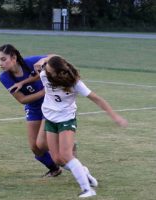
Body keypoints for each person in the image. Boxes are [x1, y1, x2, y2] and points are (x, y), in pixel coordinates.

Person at [35, 55, 128, 198]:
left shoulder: (74, 83)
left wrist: (115, 116)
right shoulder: (43, 74)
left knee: (66, 155)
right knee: (57, 159)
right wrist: (43, 62)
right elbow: (48, 61)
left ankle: (88, 190)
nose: (45, 72)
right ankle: (84, 172)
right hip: (49, 119)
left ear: (59, 73)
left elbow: (97, 99)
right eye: (45, 70)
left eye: (48, 71)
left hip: (66, 119)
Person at [0, 44, 61, 177]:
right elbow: (22, 99)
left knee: (42, 144)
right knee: (35, 147)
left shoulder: (30, 62)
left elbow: (56, 58)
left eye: (3, 59)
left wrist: (43, 60)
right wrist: (45, 91)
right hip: (33, 107)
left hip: (49, 104)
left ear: (14, 58)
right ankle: (54, 169)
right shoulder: (4, 77)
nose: (0, 63)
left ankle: (66, 146)